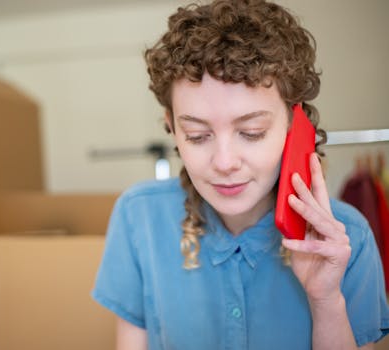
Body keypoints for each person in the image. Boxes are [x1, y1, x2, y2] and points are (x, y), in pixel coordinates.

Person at [91, 0, 389, 349]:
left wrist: (326, 301)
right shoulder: (137, 217)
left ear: (295, 126)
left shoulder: (348, 238)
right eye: (198, 136)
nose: (224, 162)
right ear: (172, 128)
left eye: (252, 132)